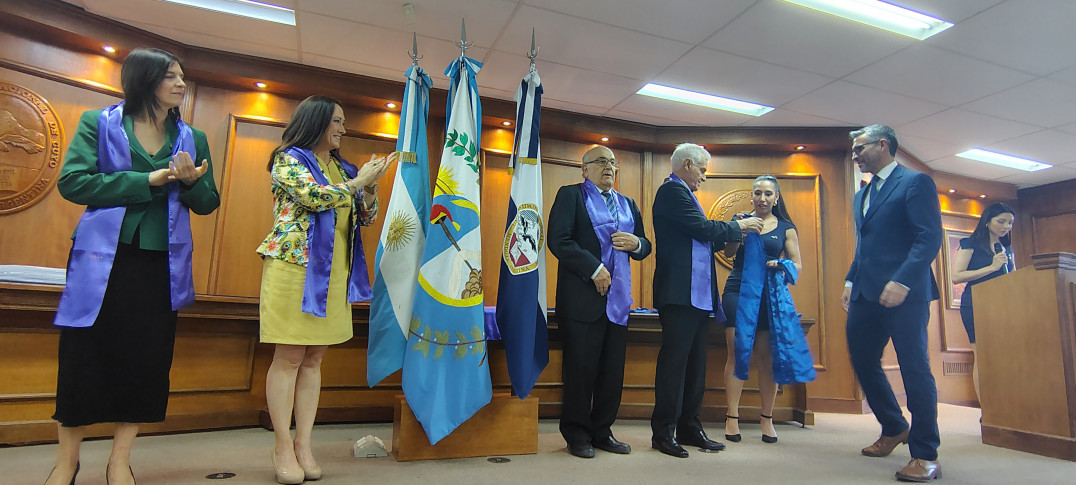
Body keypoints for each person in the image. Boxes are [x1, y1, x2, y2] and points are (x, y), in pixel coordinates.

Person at [46, 48, 220, 485]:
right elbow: (73, 182)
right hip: (103, 257)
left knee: (146, 357)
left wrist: (192, 183)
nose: (181, 84)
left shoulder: (192, 138)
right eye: (171, 77)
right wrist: (148, 180)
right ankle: (67, 459)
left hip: (161, 263)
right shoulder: (99, 123)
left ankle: (120, 459)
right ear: (145, 80)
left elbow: (208, 202)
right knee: (82, 355)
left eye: (183, 76)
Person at [257, 96, 393, 484]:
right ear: (315, 121)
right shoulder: (288, 159)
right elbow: (314, 198)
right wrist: (357, 184)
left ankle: (304, 443)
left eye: (343, 123)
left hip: (334, 274)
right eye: (337, 121)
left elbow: (364, 216)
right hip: (293, 270)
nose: (343, 129)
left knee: (314, 359)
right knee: (288, 357)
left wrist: (369, 188)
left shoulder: (342, 167)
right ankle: (282, 444)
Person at [842, 125, 943, 482]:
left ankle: (925, 453)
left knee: (915, 367)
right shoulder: (862, 194)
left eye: (860, 148)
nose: (855, 155)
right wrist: (850, 280)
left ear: (883, 145)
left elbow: (929, 238)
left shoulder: (915, 183)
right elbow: (865, 245)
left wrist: (902, 280)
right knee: (862, 360)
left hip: (907, 294)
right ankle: (894, 426)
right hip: (866, 293)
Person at [650, 143, 763, 458]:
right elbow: (701, 228)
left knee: (696, 365)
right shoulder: (671, 192)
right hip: (678, 294)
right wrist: (738, 226)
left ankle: (689, 426)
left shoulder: (689, 196)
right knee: (674, 365)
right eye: (702, 170)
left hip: (699, 297)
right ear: (687, 164)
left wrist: (731, 236)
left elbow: (706, 238)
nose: (704, 177)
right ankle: (663, 433)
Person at [548, 145, 652, 459]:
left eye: (612, 162)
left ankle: (602, 431)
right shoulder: (571, 195)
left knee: (611, 372)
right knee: (580, 371)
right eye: (600, 161)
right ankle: (577, 435)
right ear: (585, 169)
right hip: (581, 301)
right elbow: (559, 240)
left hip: (618, 303)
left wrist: (637, 243)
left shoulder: (628, 204)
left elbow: (645, 246)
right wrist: (593, 268)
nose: (608, 167)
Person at [721, 175, 810, 445]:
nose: (762, 198)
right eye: (757, 193)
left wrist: (781, 266)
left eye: (768, 194)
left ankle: (766, 419)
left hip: (769, 295)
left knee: (767, 357)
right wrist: (738, 228)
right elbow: (728, 252)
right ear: (752, 196)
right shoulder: (742, 220)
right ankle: (732, 417)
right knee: (737, 352)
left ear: (776, 198)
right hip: (739, 290)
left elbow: (797, 264)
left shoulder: (786, 228)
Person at [950, 202, 1015, 405]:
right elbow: (956, 276)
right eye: (1001, 221)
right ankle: (987, 408)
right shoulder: (971, 244)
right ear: (987, 222)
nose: (1006, 227)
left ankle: (1004, 405)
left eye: (1010, 223)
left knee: (1004, 355)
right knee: (983, 354)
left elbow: (1012, 276)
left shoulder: (1007, 248)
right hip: (977, 303)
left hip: (1004, 305)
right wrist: (992, 266)